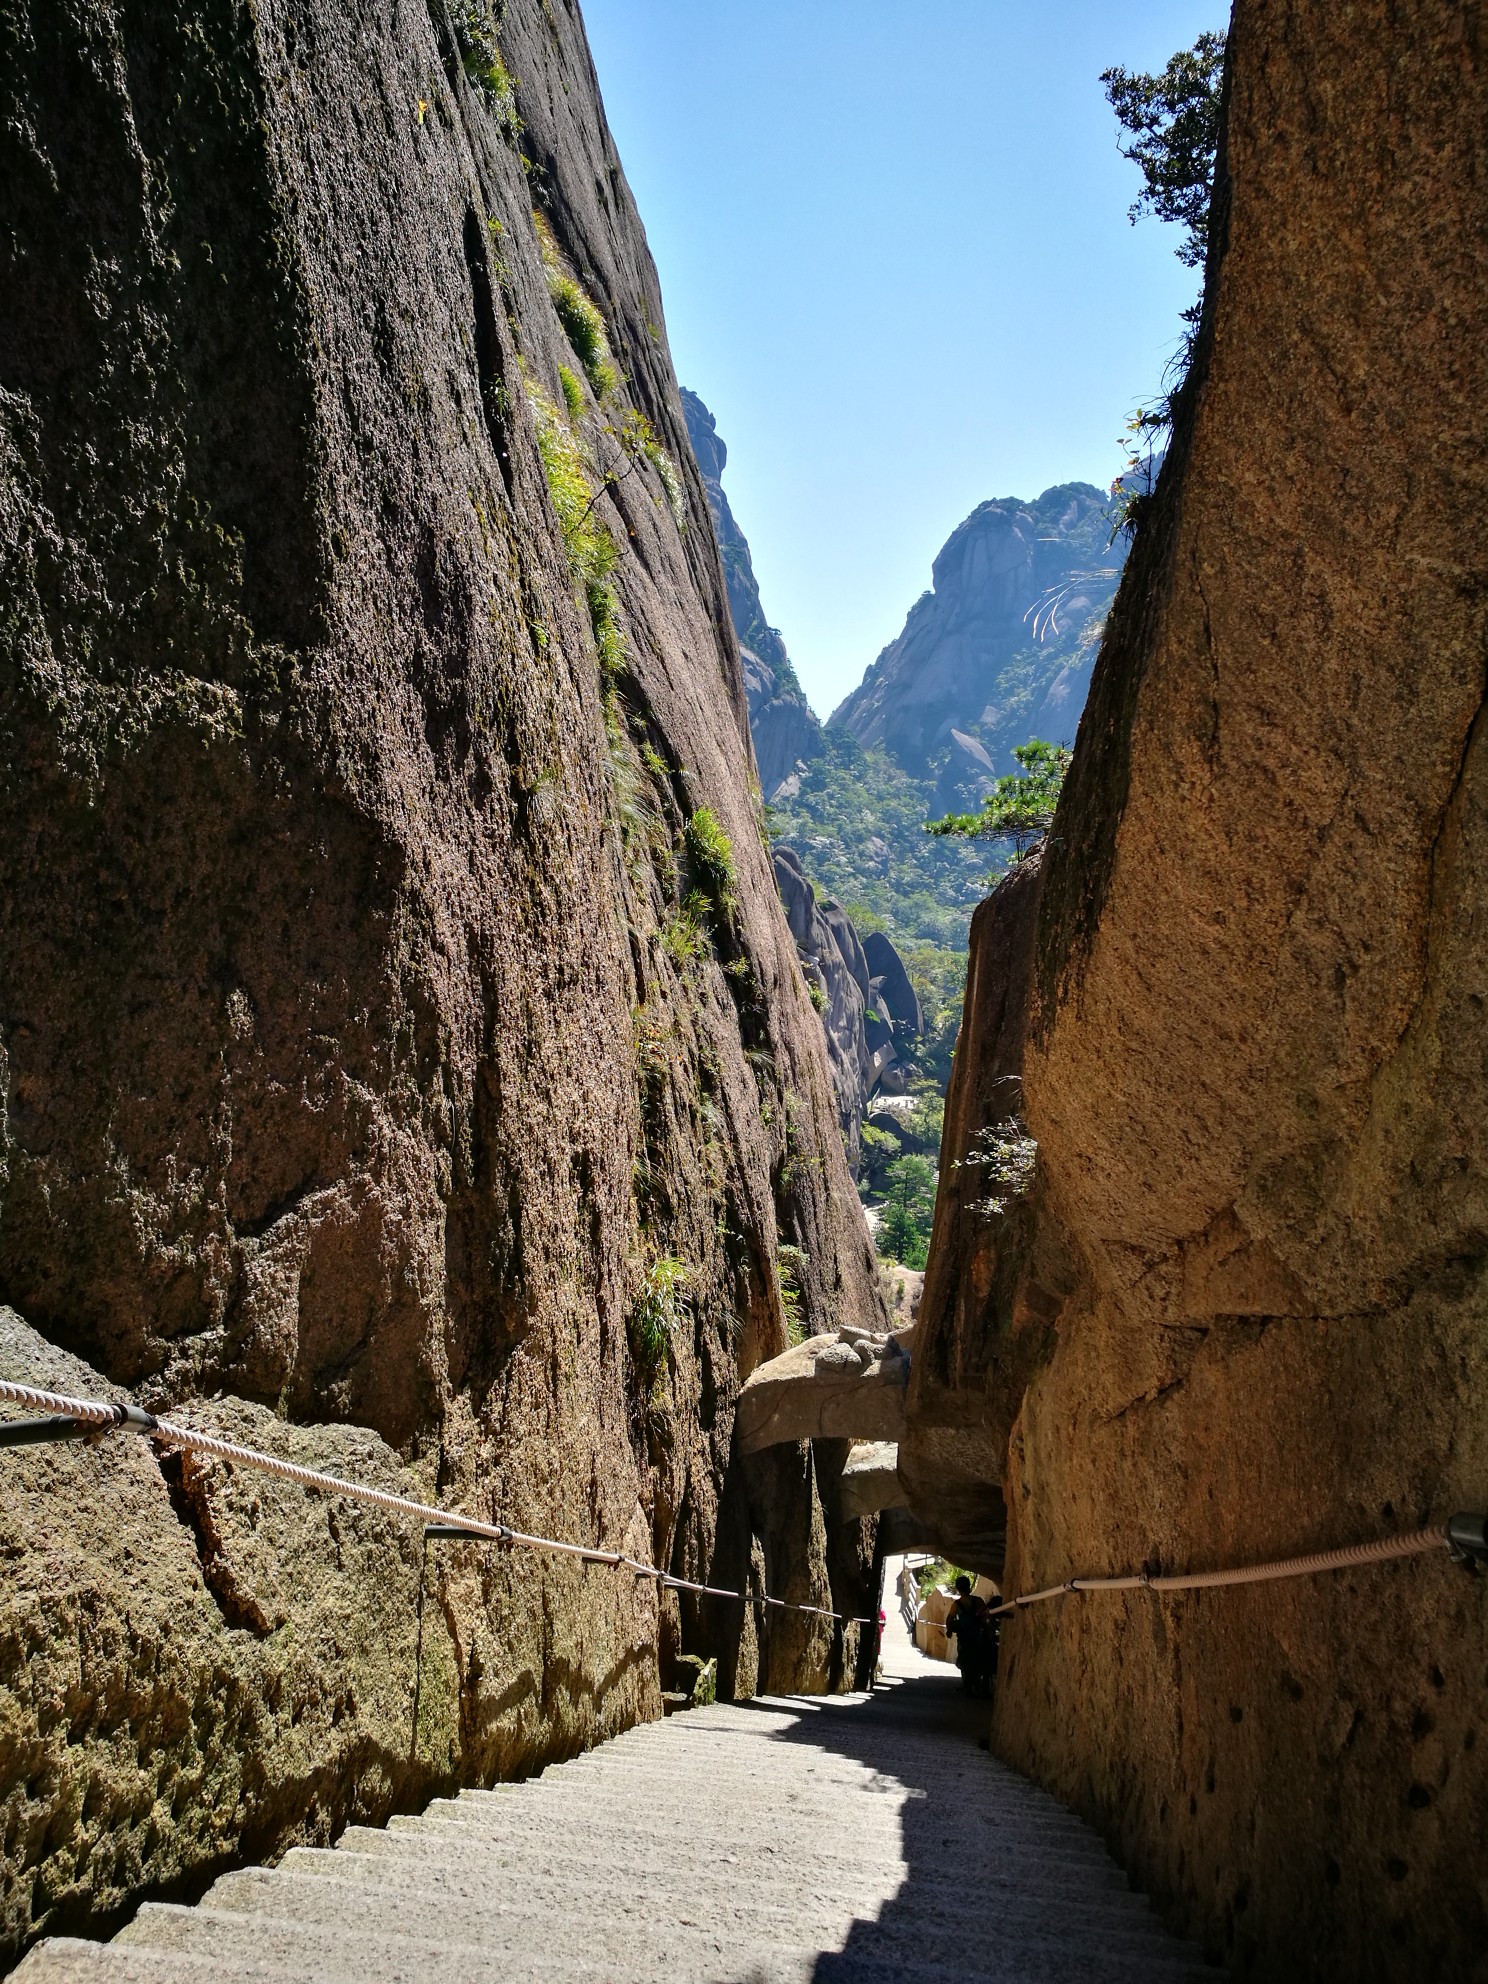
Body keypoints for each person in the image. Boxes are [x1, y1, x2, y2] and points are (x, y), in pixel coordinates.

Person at [945, 1576, 982, 1692]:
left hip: (964, 1637)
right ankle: (977, 1684)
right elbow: (986, 1614)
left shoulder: (957, 1604)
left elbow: (950, 1618)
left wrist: (949, 1630)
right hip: (977, 1636)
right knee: (977, 1659)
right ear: (969, 1586)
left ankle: (966, 1684)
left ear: (958, 1588)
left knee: (963, 1659)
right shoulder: (978, 1601)